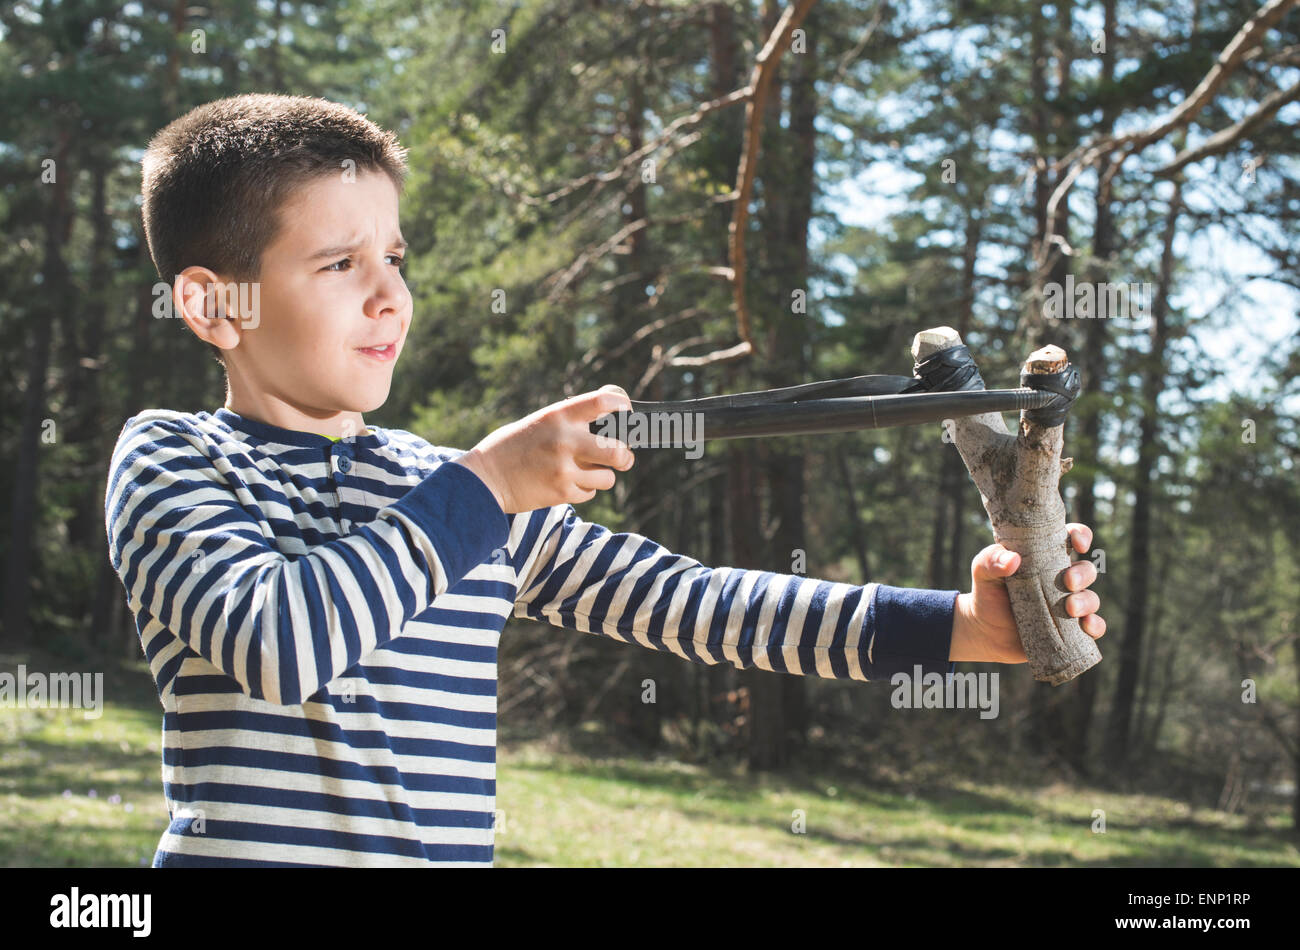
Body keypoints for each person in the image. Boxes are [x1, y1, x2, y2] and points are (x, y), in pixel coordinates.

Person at [106, 93, 1104, 866]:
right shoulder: (176, 459)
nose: (388, 295)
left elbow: (694, 604)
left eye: (396, 257)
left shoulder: (441, 489)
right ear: (214, 304)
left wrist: (959, 628)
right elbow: (281, 644)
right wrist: (489, 485)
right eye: (337, 265)